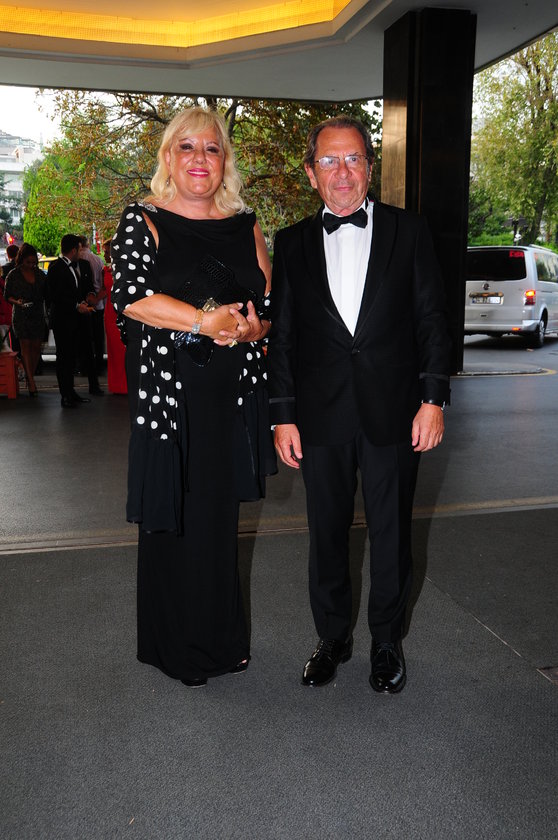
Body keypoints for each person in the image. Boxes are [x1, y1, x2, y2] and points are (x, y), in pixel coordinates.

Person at [267, 116, 451, 694]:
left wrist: (433, 399)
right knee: (325, 532)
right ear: (311, 172)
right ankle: (332, 637)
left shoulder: (409, 231)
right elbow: (283, 337)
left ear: (370, 167)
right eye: (329, 160)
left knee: (391, 532)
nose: (341, 172)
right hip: (319, 415)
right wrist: (282, 413)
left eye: (352, 159)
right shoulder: (291, 243)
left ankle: (387, 642)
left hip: (394, 411)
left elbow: (432, 320)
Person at [111, 106, 275, 688]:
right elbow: (132, 298)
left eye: (211, 148)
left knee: (218, 521)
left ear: (224, 160)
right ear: (168, 157)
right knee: (174, 517)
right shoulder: (144, 220)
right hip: (171, 401)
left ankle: (222, 640)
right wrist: (204, 323)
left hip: (230, 400)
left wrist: (251, 330)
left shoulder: (246, 224)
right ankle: (176, 647)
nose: (199, 158)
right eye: (187, 147)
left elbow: (267, 306)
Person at [46, 234, 104, 407]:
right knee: (64, 358)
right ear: (73, 250)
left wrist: (86, 300)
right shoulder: (55, 267)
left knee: (74, 357)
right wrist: (76, 305)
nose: (81, 252)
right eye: (79, 249)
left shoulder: (80, 265)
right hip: (63, 321)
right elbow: (55, 295)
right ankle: (65, 395)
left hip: (78, 319)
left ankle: (71, 393)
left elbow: (82, 289)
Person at [4, 243, 47, 396]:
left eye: (34, 262)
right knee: (25, 348)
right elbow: (7, 295)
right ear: (21, 260)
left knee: (36, 348)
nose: (31, 265)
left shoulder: (40, 274)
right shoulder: (13, 275)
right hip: (21, 314)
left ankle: (30, 376)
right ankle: (31, 383)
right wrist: (17, 302)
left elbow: (47, 293)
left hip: (37, 314)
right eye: (28, 262)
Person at [101, 237, 127, 394]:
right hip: (109, 313)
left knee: (123, 349)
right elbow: (104, 291)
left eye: (106, 252)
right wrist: (93, 298)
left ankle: (125, 384)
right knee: (113, 350)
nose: (104, 255)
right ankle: (116, 385)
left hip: (122, 312)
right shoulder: (105, 270)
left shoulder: (125, 268)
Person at [79, 235, 106, 374]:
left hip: (81, 305)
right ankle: (99, 365)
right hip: (98, 303)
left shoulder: (76, 259)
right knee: (98, 337)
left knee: (84, 338)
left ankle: (84, 366)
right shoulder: (97, 259)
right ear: (88, 244)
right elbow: (103, 283)